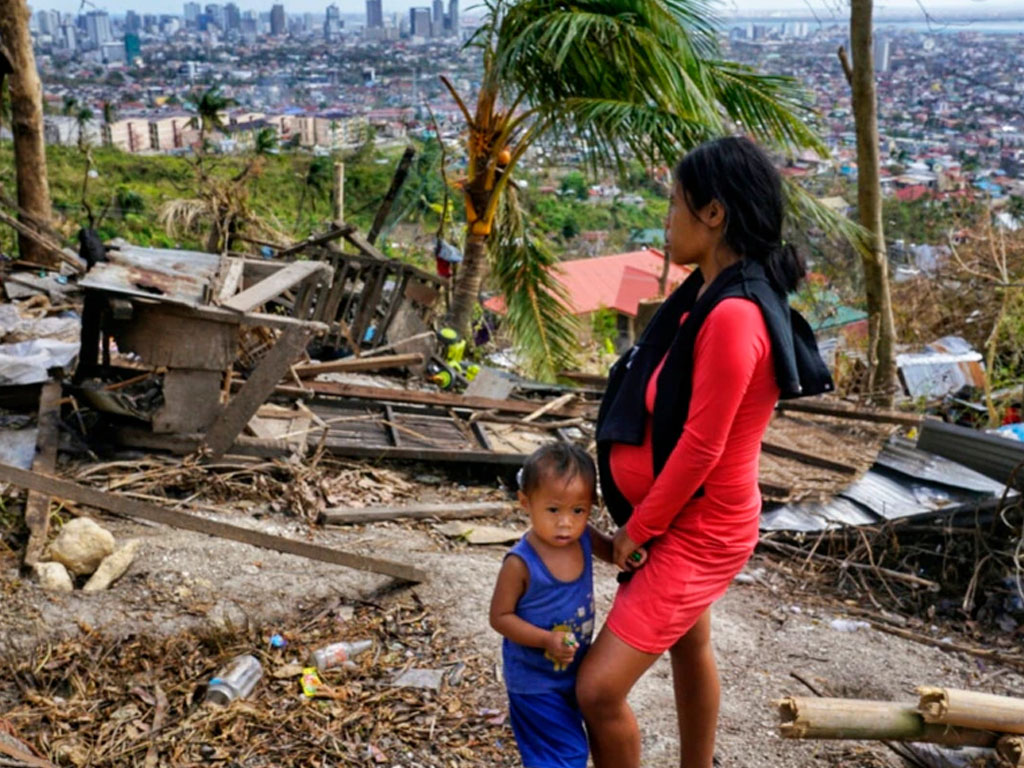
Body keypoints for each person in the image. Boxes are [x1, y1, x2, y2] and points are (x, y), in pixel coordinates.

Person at [576, 136, 835, 768]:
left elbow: (700, 448)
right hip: (679, 516)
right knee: (690, 646)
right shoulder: (707, 295)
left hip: (698, 528)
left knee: (598, 689)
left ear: (713, 213)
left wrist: (639, 528)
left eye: (675, 205)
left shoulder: (734, 316)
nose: (666, 221)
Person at [489, 442, 645, 768]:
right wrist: (546, 640)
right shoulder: (521, 563)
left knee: (562, 751)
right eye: (553, 510)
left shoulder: (583, 537)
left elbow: (614, 551)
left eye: (578, 511)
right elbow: (500, 618)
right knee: (565, 755)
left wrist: (631, 555)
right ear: (525, 503)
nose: (566, 523)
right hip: (535, 683)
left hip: (572, 673)